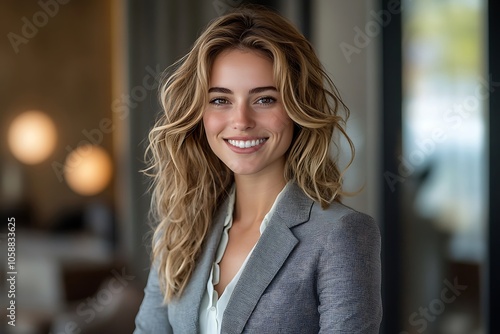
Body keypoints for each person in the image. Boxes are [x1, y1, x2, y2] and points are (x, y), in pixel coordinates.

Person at [134, 5, 381, 334]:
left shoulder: (341, 235)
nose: (241, 122)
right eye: (221, 100)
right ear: (199, 113)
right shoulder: (179, 231)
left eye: (264, 99)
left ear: (297, 107)